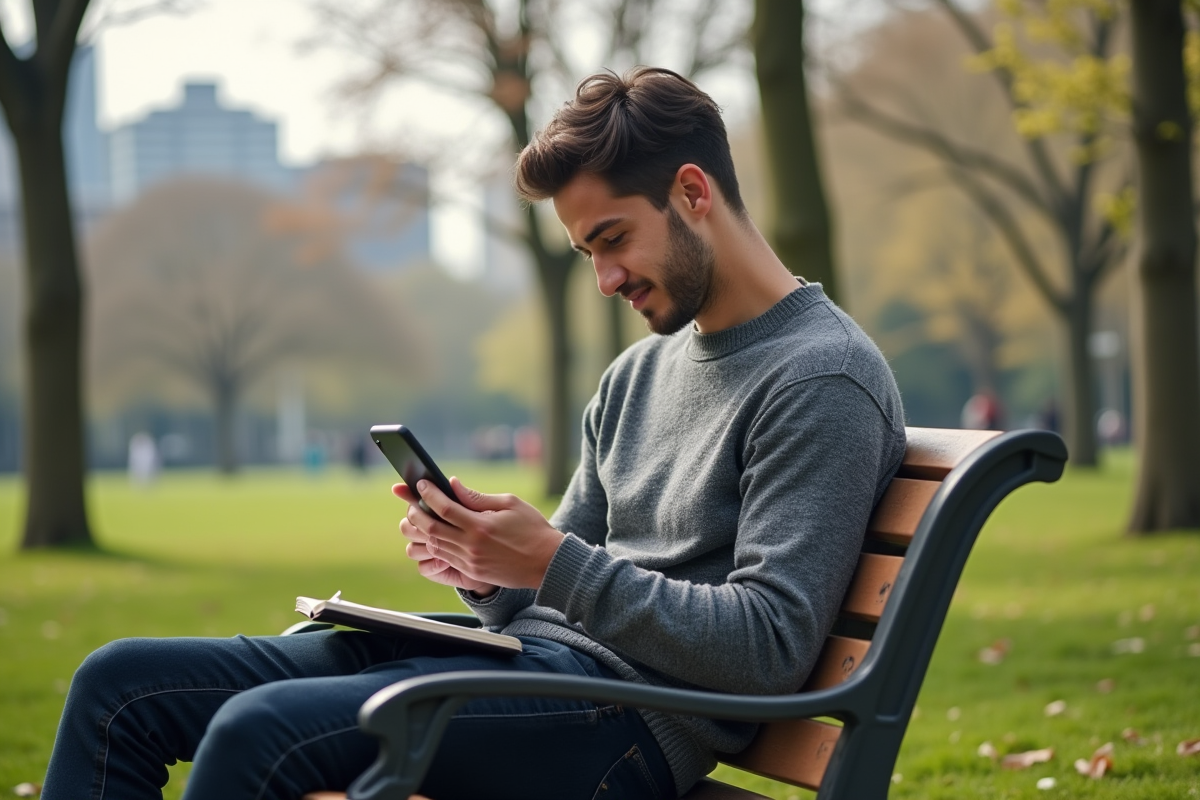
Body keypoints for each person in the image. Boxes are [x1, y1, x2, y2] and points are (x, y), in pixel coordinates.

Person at [41, 67, 905, 800]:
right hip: (528, 671)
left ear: (692, 192)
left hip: (627, 728)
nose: (603, 279)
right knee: (118, 685)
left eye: (613, 239)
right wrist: (484, 566)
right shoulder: (638, 375)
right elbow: (556, 585)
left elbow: (767, 648)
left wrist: (549, 563)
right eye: (584, 252)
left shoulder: (820, 376)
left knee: (261, 732)